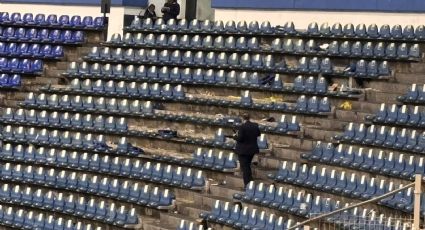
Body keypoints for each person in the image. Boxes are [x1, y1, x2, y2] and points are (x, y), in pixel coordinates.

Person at [232, 113, 261, 188]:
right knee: (247, 166)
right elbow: (258, 134)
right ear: (249, 118)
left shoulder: (242, 127)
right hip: (252, 149)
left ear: (242, 119)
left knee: (245, 168)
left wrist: (235, 137)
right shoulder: (255, 125)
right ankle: (250, 182)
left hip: (243, 150)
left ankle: (247, 184)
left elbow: (240, 138)